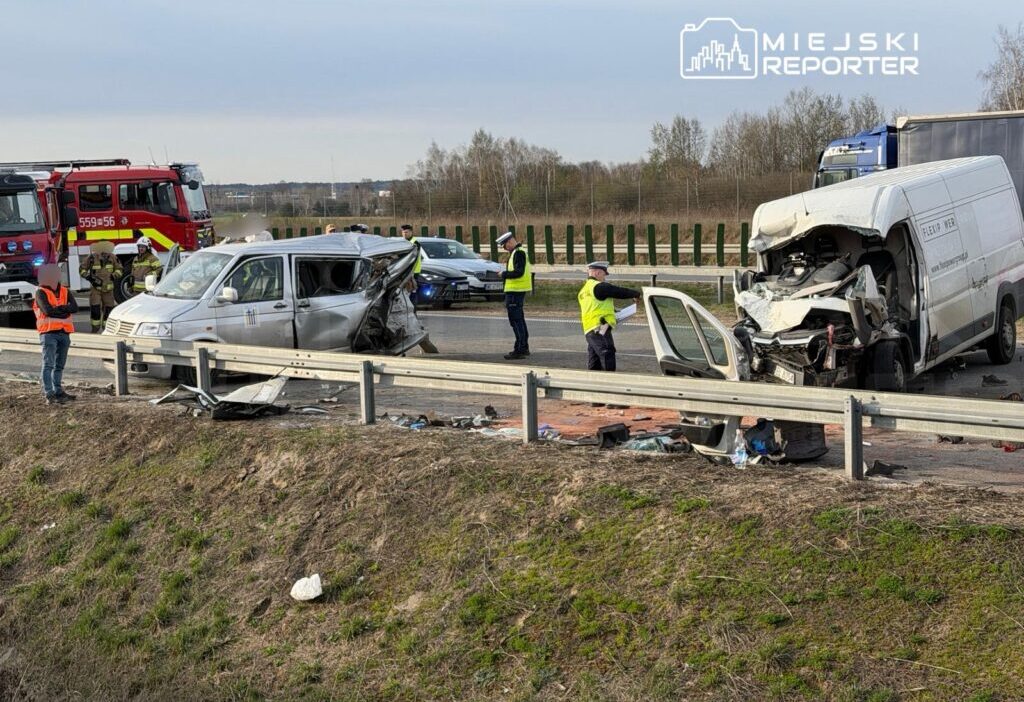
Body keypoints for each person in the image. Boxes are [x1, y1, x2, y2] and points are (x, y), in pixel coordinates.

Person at [577, 261, 640, 372]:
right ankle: (609, 383)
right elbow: (617, 291)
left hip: (590, 330)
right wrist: (635, 294)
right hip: (600, 329)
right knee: (607, 354)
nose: (605, 277)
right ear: (597, 273)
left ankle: (593, 385)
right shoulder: (598, 287)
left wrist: (614, 311)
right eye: (604, 274)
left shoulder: (584, 290)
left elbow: (595, 307)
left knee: (594, 361)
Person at [32, 264, 78, 405]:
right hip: (49, 333)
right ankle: (49, 394)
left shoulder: (65, 290)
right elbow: (47, 311)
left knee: (59, 365)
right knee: (48, 365)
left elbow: (75, 307)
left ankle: (58, 391)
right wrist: (65, 310)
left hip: (64, 333)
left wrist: (59, 308)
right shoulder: (40, 292)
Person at [497, 230, 531, 359]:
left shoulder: (518, 253)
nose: (504, 248)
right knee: (519, 320)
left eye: (505, 245)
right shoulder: (517, 252)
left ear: (510, 241)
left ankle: (520, 348)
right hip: (516, 291)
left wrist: (504, 274)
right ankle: (523, 347)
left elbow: (519, 272)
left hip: (515, 292)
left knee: (516, 321)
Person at [79, 242, 123, 333]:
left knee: (109, 310)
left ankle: (106, 329)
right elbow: (82, 269)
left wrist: (114, 275)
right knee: (95, 310)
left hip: (108, 290)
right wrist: (88, 277)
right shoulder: (91, 258)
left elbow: (120, 269)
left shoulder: (113, 257)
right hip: (96, 289)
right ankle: (95, 329)